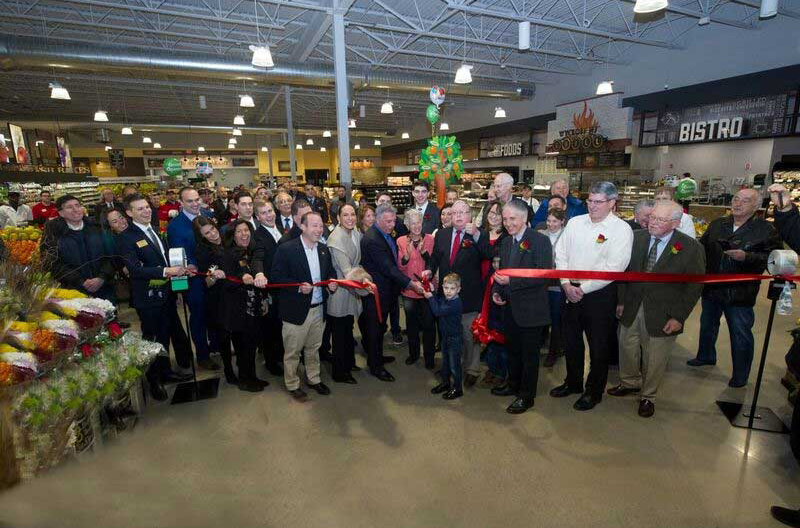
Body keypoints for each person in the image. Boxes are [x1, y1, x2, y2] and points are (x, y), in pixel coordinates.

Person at [610, 201, 705, 417]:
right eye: (652, 217)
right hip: (632, 305)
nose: (653, 222)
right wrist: (621, 301)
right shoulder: (636, 238)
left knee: (655, 357)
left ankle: (648, 396)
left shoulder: (691, 248)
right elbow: (624, 271)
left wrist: (679, 317)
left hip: (663, 312)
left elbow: (694, 286)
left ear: (675, 223)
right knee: (626, 346)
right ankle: (629, 382)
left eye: (660, 220)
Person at [551, 181, 633, 411]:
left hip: (600, 295)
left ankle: (593, 391)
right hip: (569, 291)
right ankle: (573, 382)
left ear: (612, 203)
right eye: (590, 201)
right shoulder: (576, 222)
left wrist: (582, 289)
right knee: (571, 342)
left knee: (598, 346)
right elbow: (561, 253)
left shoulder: (621, 230)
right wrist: (566, 284)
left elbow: (614, 267)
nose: (593, 206)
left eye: (598, 202)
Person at [687, 187, 782, 387]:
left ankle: (741, 374)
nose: (737, 203)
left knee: (740, 333)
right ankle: (705, 355)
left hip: (740, 292)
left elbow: (774, 259)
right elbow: (701, 249)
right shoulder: (718, 224)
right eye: (736, 199)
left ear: (757, 207)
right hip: (712, 287)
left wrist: (747, 257)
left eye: (745, 200)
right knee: (707, 325)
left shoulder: (766, 230)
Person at [116, 193, 193, 400]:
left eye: (147, 207)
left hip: (166, 294)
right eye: (140, 209)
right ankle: (154, 381)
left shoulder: (155, 230)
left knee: (165, 336)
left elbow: (163, 258)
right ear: (130, 213)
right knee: (151, 341)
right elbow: (134, 270)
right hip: (148, 298)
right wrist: (166, 271)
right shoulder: (126, 238)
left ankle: (166, 372)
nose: (146, 211)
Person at [491, 198, 553, 414]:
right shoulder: (507, 242)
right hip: (510, 308)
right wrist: (498, 292)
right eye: (505, 219)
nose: (508, 223)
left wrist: (511, 283)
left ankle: (527, 396)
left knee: (530, 356)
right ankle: (512, 384)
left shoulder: (540, 241)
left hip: (531, 311)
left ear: (525, 217)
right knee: (513, 352)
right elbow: (503, 273)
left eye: (512, 219)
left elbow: (543, 276)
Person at [271, 211, 337, 401]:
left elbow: (330, 274)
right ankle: (292, 383)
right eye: (314, 225)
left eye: (321, 225)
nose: (319, 229)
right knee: (292, 351)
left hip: (318, 308)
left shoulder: (324, 250)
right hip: (296, 311)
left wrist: (332, 283)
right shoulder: (287, 249)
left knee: (313, 348)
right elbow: (276, 277)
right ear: (303, 226)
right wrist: (298, 288)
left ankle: (313, 379)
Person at [424, 200, 490, 386]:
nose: (458, 216)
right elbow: (435, 257)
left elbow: (488, 254)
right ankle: (452, 365)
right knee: (449, 334)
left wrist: (476, 234)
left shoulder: (479, 234)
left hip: (469, 295)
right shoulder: (443, 234)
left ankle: (472, 369)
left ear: (470, 215)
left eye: (463, 212)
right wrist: (429, 269)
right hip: (447, 296)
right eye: (454, 213)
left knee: (470, 336)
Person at [360, 204, 425, 381]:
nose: (392, 224)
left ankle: (378, 357)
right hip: (376, 293)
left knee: (380, 329)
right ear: (378, 219)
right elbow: (388, 268)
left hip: (386, 291)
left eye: (394, 221)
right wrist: (410, 283)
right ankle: (375, 367)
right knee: (375, 330)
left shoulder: (385, 233)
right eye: (388, 221)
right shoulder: (372, 239)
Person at [166, 186, 218, 371]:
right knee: (198, 316)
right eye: (190, 201)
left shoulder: (206, 214)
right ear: (181, 203)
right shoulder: (175, 226)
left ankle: (215, 345)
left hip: (213, 274)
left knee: (213, 312)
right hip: (194, 280)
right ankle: (203, 355)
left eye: (197, 199)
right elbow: (179, 256)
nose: (195, 203)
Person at [219, 220, 269, 392]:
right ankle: (245, 381)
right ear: (233, 235)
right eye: (239, 231)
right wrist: (241, 279)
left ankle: (252, 377)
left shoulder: (250, 252)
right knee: (242, 348)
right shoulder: (228, 254)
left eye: (246, 230)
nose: (244, 234)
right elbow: (227, 284)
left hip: (252, 307)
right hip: (238, 311)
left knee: (251, 346)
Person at [327, 204, 371, 383]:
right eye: (345, 215)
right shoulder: (335, 239)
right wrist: (366, 282)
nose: (350, 218)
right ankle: (340, 372)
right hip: (341, 291)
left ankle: (349, 362)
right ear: (338, 218)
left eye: (353, 214)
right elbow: (348, 272)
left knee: (348, 330)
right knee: (339, 333)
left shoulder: (355, 233)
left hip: (351, 290)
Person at [41, 195, 115, 301]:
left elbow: (111, 255)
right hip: (74, 292)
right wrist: (80, 281)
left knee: (109, 315)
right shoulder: (53, 232)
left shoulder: (96, 226)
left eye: (77, 205)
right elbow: (51, 262)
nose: (76, 209)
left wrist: (102, 277)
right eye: (69, 207)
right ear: (61, 213)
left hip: (104, 288)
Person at [193, 216, 236, 383]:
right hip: (218, 299)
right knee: (224, 336)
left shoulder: (227, 240)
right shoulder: (202, 251)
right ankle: (228, 369)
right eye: (207, 233)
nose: (212, 234)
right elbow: (207, 283)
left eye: (212, 229)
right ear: (202, 236)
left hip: (235, 294)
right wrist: (213, 276)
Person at [397, 209, 436, 369]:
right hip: (410, 290)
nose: (416, 226)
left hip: (426, 291)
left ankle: (429, 357)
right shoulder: (401, 241)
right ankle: (413, 354)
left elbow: (433, 263)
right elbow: (399, 268)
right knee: (411, 326)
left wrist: (424, 253)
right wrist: (405, 257)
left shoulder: (429, 239)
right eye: (412, 223)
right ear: (407, 224)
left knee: (428, 326)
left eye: (419, 222)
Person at [251, 199, 283, 376]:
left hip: (285, 286)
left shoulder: (280, 228)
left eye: (270, 211)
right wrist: (259, 274)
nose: (269, 215)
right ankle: (272, 361)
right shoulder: (258, 235)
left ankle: (282, 355)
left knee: (282, 324)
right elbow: (257, 257)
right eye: (263, 213)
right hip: (270, 289)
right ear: (257, 217)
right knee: (270, 326)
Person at [480, 200, 508, 388]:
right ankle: (491, 367)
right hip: (480, 287)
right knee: (487, 328)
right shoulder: (481, 233)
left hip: (497, 287)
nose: (493, 215)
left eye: (498, 213)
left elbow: (492, 255)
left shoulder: (506, 237)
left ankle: (501, 371)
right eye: (491, 212)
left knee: (499, 329)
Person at [427, 273, 465, 400]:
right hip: (445, 337)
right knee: (445, 363)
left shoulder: (455, 303)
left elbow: (437, 311)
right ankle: (445, 383)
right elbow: (439, 302)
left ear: (458, 289)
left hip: (454, 338)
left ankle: (458, 388)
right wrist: (432, 291)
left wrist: (430, 297)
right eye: (446, 288)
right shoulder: (447, 299)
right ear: (442, 287)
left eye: (452, 288)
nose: (448, 291)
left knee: (454, 366)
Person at [375, 192, 407, 345]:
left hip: (395, 271)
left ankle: (395, 330)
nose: (385, 204)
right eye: (382, 201)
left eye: (388, 201)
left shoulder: (398, 223)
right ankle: (380, 333)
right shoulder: (373, 228)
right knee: (381, 309)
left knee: (394, 305)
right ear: (376, 202)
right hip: (381, 275)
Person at [538, 209, 567, 368]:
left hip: (557, 286)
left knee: (556, 320)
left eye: (555, 221)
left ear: (562, 221)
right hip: (541, 285)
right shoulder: (541, 235)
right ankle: (540, 345)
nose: (551, 224)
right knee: (541, 317)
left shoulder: (567, 237)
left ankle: (553, 351)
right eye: (549, 221)